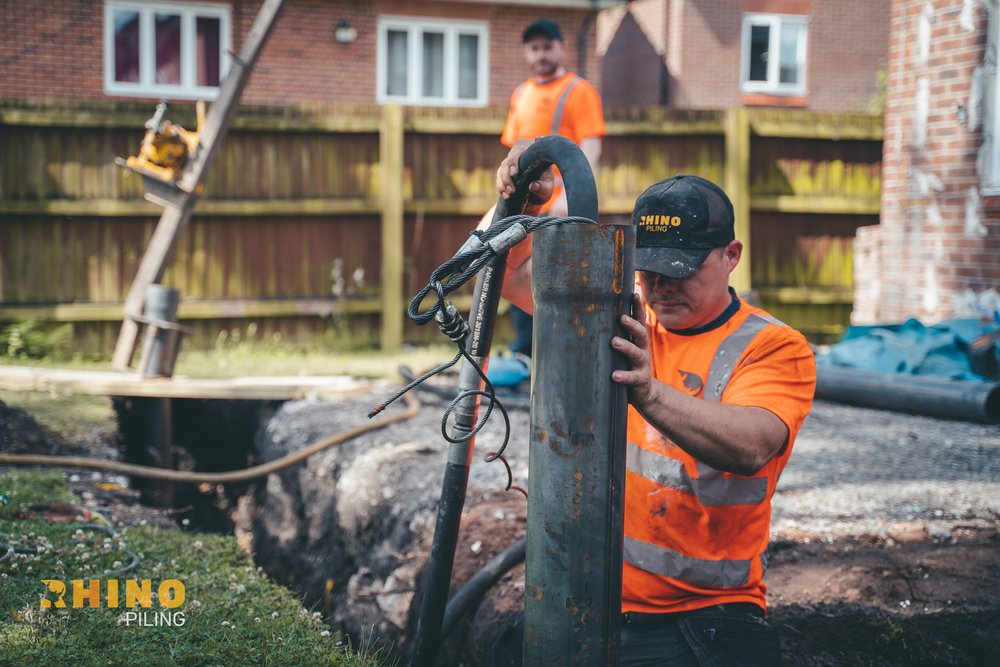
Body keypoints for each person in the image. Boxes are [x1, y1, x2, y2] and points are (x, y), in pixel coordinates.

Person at [494, 149, 817, 666]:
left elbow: (752, 444)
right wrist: (518, 205)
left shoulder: (773, 346)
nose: (661, 287)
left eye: (680, 271)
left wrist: (649, 392)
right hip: (600, 592)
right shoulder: (627, 315)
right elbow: (504, 278)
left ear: (731, 255)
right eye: (649, 270)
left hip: (706, 614)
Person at [485, 17, 606, 360]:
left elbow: (589, 147)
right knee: (503, 262)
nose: (541, 54)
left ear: (562, 47)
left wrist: (569, 197)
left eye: (547, 46)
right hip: (522, 201)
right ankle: (525, 352)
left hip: (559, 203)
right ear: (527, 52)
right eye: (534, 48)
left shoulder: (578, 90)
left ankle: (553, 351)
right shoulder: (521, 93)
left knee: (546, 275)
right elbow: (516, 147)